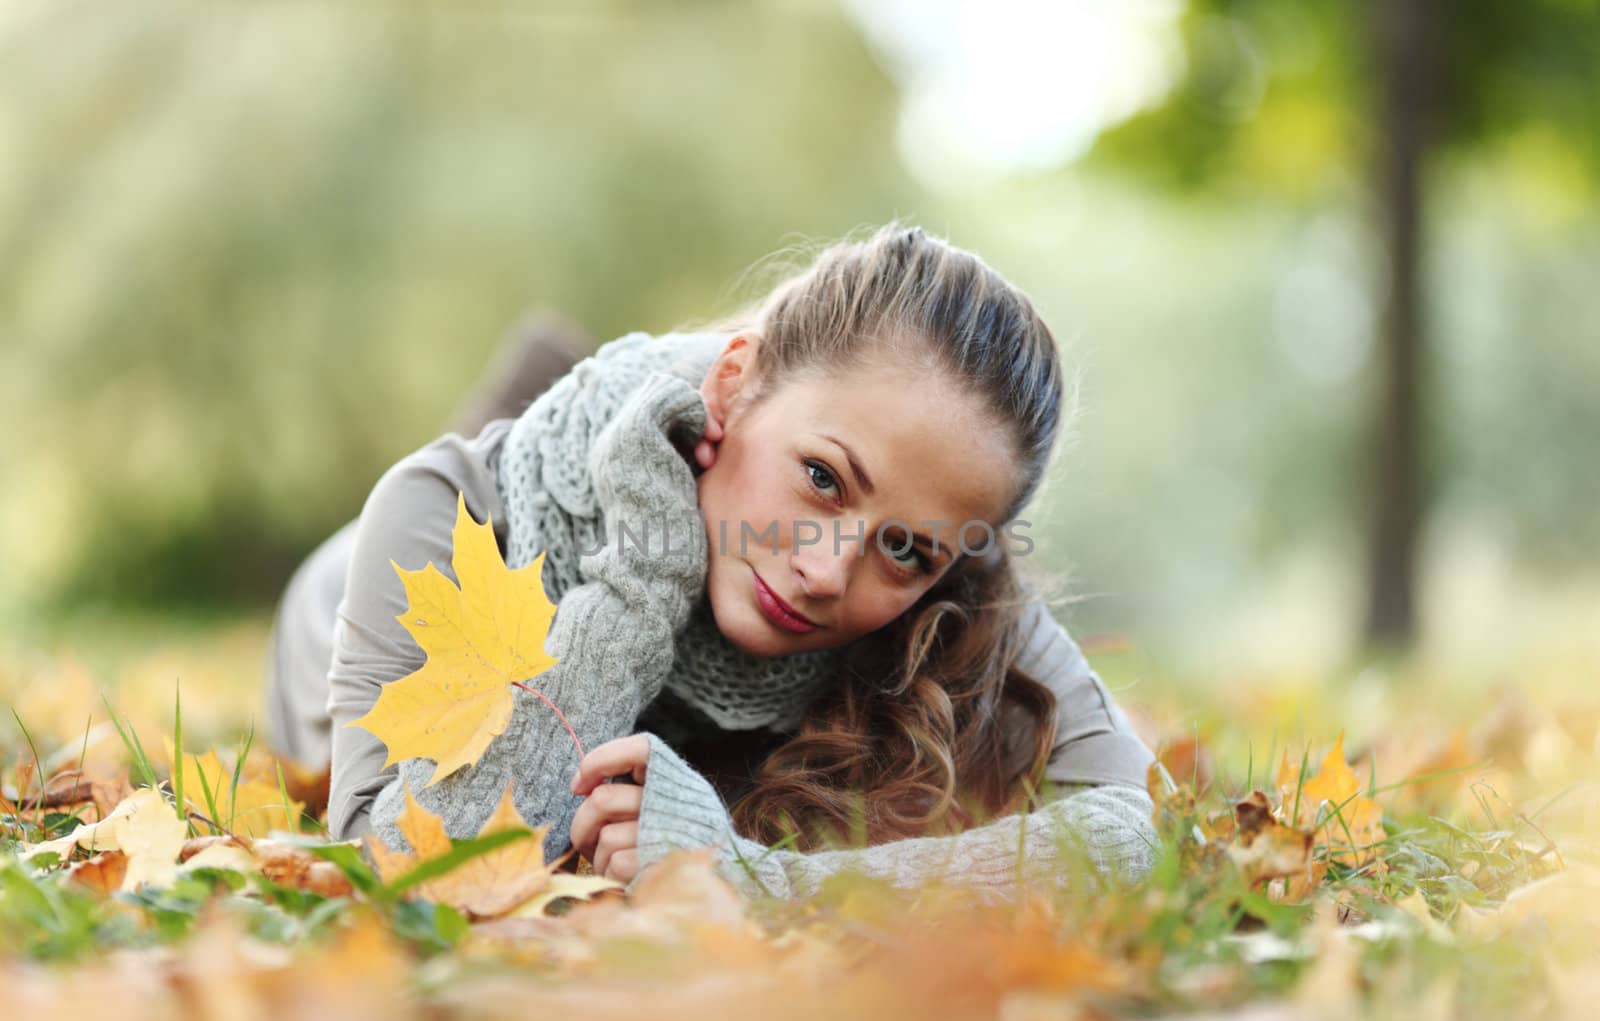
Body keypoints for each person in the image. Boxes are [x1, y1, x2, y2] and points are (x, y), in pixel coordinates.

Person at [263, 223, 1160, 904]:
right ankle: (553, 384)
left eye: (905, 549)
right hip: (342, 594)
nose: (825, 571)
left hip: (736, 438)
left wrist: (760, 881)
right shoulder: (442, 506)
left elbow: (1123, 839)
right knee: (467, 478)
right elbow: (401, 874)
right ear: (733, 385)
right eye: (822, 479)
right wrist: (641, 586)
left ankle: (596, 383)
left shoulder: (946, 552)